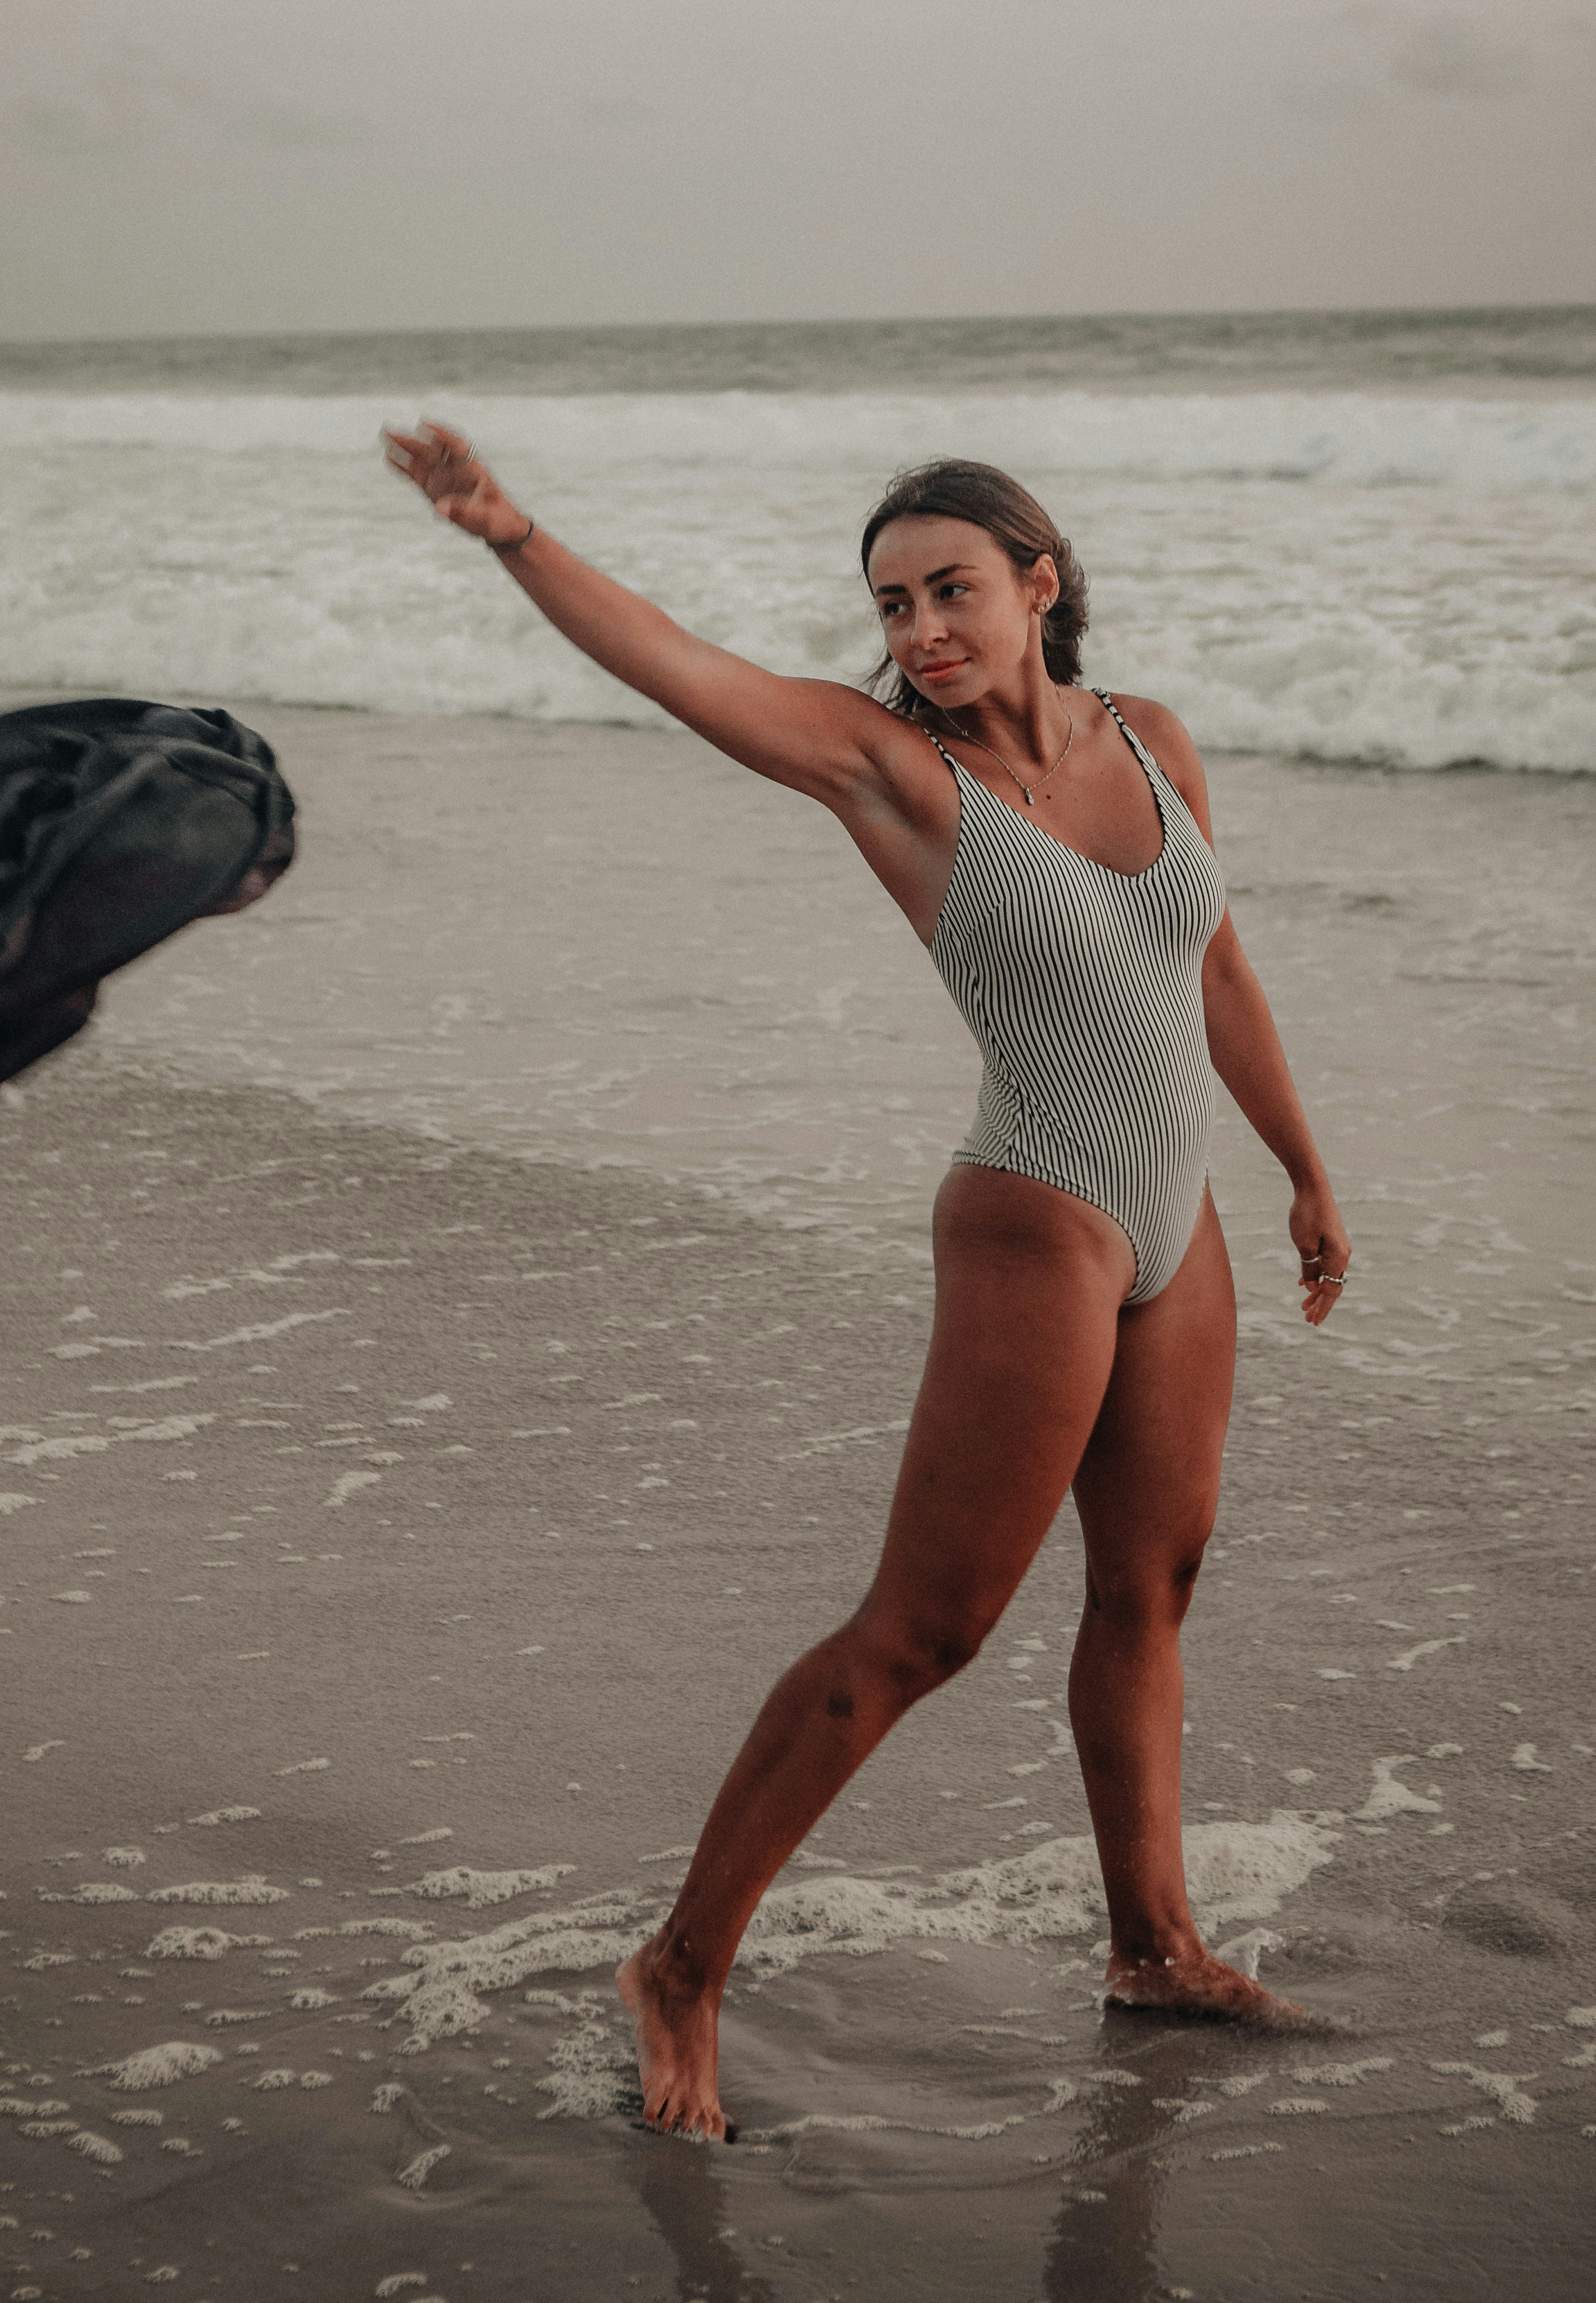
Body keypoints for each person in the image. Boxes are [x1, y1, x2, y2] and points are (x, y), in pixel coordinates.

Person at [384, 423, 1353, 2139]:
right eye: (893, 605)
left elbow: (1214, 965)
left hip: (1179, 1223)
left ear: (1037, 582)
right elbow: (686, 669)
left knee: (1153, 1590)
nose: (921, 632)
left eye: (952, 591)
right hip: (1039, 1213)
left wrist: (1302, 1169)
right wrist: (513, 533)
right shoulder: (895, 773)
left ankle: (1156, 1948)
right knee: (928, 1629)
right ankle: (679, 1968)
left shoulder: (1154, 738)